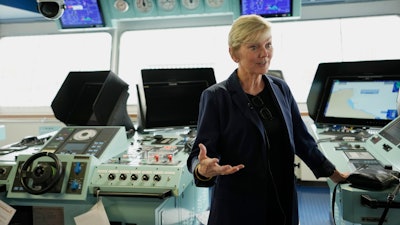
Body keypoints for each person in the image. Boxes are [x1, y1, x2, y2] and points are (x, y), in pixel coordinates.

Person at [186, 14, 348, 225]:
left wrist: (335, 175)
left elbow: (302, 140)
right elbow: (201, 154)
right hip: (239, 205)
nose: (265, 54)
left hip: (282, 198)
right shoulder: (216, 96)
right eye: (254, 47)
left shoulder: (281, 88)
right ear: (234, 54)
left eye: (268, 45)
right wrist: (202, 169)